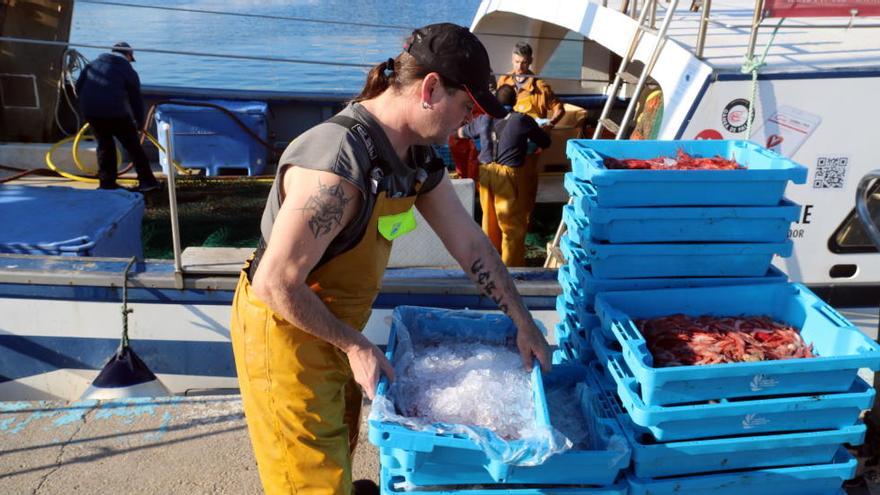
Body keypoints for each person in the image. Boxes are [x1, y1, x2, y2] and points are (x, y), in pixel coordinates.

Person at [229, 23, 552, 495]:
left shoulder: (417, 156)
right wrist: (355, 345)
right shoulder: (337, 166)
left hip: (336, 327)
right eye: (467, 107)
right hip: (285, 332)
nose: (467, 122)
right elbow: (276, 284)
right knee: (305, 473)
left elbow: (471, 245)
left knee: (338, 440)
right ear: (431, 88)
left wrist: (523, 321)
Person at [458, 85, 551, 267]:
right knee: (511, 226)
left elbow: (461, 133)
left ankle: (490, 262)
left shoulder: (483, 119)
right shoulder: (523, 120)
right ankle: (511, 267)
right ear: (515, 102)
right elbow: (545, 142)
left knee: (489, 219)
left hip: (485, 173)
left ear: (494, 102)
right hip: (508, 176)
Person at [75, 42, 159, 192]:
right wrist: (140, 123)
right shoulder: (127, 69)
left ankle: (107, 184)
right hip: (114, 113)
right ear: (128, 55)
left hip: (91, 112)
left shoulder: (92, 64)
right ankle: (148, 182)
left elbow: (78, 87)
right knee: (133, 147)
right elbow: (135, 99)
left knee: (105, 146)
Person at [496, 42, 565, 128]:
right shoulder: (504, 80)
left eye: (524, 63)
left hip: (532, 134)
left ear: (530, 61)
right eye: (517, 62)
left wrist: (551, 123)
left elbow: (559, 108)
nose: (519, 67)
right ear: (512, 59)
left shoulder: (540, 87)